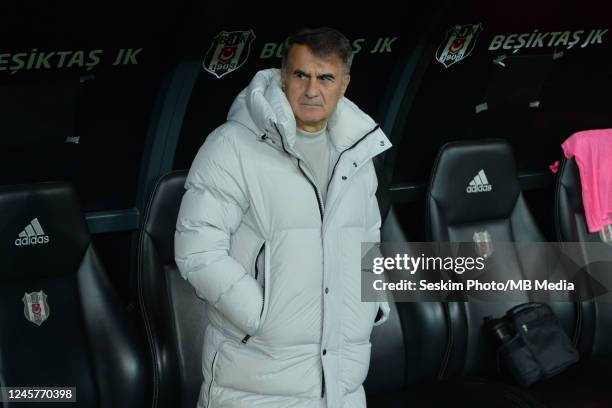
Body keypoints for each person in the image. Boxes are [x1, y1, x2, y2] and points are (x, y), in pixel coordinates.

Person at [175, 27, 391, 408]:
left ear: (344, 84)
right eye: (301, 75)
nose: (312, 90)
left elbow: (368, 235)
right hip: (256, 379)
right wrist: (261, 316)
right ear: (282, 76)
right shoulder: (233, 145)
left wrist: (371, 304)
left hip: (341, 382)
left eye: (325, 78)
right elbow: (197, 248)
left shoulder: (358, 152)